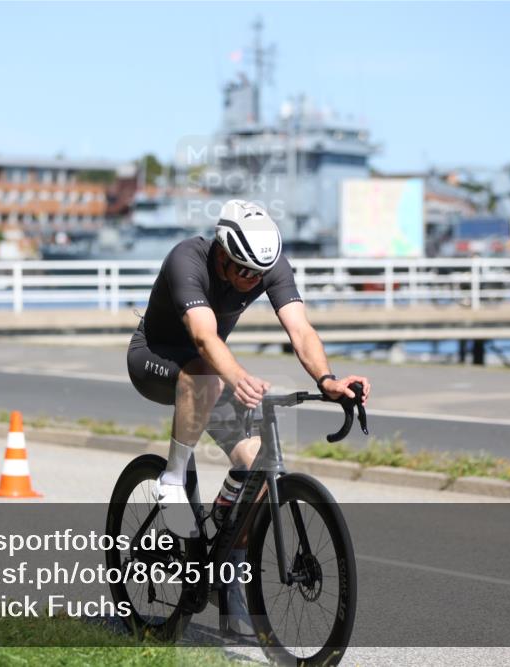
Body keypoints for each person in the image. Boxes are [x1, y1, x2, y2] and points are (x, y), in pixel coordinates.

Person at [126, 199, 370, 633]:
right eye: (242, 272)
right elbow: (202, 337)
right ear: (222, 251)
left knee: (256, 462)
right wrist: (237, 376)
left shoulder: (267, 265)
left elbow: (301, 330)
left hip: (211, 370)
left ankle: (227, 574)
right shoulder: (187, 259)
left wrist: (327, 379)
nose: (250, 282)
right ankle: (172, 478)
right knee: (206, 376)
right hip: (156, 359)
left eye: (259, 275)